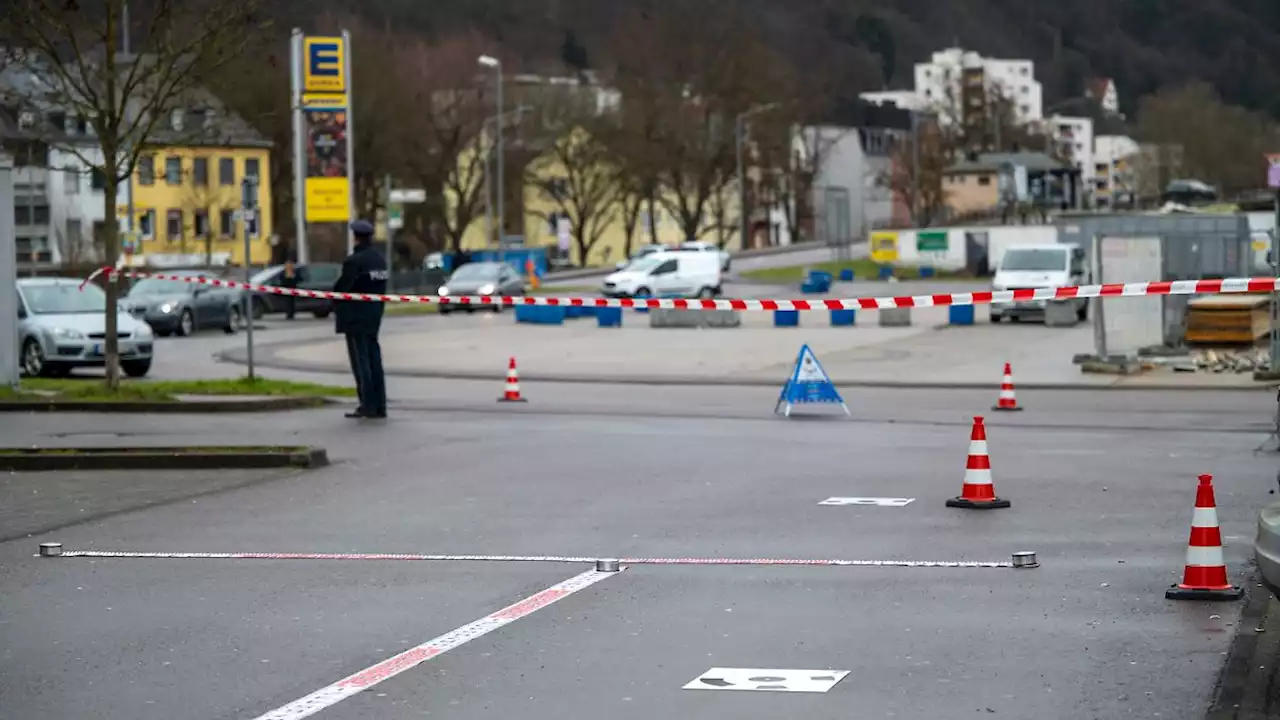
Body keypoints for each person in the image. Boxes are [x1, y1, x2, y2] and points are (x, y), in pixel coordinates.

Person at [333, 219, 388, 419]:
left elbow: (341, 289)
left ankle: (367, 404)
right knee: (374, 359)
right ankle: (380, 404)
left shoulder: (354, 262)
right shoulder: (379, 260)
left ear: (355, 237)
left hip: (355, 318)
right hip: (374, 317)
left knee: (361, 362)